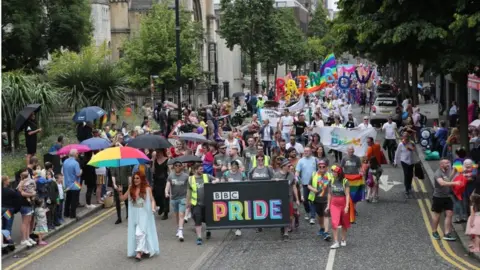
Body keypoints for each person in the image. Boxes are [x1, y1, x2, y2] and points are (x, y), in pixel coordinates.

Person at [117, 172, 160, 260]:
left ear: (142, 179)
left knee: (139, 233)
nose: (135, 180)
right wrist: (120, 191)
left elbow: (152, 200)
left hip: (144, 214)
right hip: (134, 215)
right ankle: (146, 249)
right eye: (134, 178)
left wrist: (152, 209)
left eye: (137, 178)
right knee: (141, 233)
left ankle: (139, 252)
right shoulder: (130, 188)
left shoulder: (147, 189)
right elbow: (122, 199)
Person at [186, 164, 220, 245]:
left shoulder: (206, 176)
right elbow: (188, 191)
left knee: (208, 219)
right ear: (195, 170)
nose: (202, 170)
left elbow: (218, 179)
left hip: (207, 202)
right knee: (197, 219)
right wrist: (188, 202)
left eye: (202, 169)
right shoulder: (190, 179)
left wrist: (215, 181)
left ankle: (208, 230)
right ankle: (199, 237)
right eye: (200, 169)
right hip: (196, 203)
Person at [431, 159, 460, 241]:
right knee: (437, 215)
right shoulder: (438, 173)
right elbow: (442, 183)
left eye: (449, 162)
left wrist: (454, 172)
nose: (448, 164)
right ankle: (434, 231)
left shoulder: (447, 170)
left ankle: (447, 233)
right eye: (446, 163)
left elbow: (447, 180)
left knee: (449, 213)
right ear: (441, 165)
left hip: (447, 196)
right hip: (438, 197)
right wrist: (455, 183)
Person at [272, 159, 300, 240]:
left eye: (290, 166)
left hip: (289, 197)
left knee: (289, 214)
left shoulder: (291, 175)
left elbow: (294, 186)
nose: (290, 167)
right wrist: (275, 181)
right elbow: (271, 185)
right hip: (279, 198)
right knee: (281, 214)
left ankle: (286, 232)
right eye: (288, 166)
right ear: (283, 166)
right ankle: (283, 227)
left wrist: (297, 199)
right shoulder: (276, 174)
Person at [326, 165, 351, 249]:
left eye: (335, 171)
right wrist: (328, 206)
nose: (333, 173)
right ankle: (336, 241)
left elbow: (347, 195)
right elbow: (329, 194)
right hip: (334, 203)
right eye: (332, 171)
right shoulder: (331, 181)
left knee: (344, 222)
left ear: (339, 173)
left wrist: (347, 206)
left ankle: (343, 239)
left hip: (343, 202)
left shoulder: (345, 181)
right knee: (334, 222)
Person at [307, 159, 333, 241]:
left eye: (323, 167)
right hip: (316, 199)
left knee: (326, 215)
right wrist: (313, 189)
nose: (321, 168)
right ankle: (322, 228)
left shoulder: (330, 176)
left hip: (326, 200)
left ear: (326, 167)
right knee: (320, 216)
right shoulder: (314, 174)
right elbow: (308, 185)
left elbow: (334, 186)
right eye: (320, 166)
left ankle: (326, 232)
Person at [165, 161, 189, 242]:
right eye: (176, 165)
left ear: (182, 167)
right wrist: (166, 192)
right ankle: (179, 228)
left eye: (179, 165)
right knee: (177, 215)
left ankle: (181, 231)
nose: (178, 167)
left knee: (181, 214)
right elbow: (167, 185)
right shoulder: (171, 176)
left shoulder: (186, 176)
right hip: (174, 198)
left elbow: (189, 187)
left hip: (183, 198)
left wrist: (189, 198)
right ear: (174, 167)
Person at [295, 147, 318, 224]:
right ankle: (307, 211)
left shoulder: (315, 159)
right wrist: (296, 177)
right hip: (304, 183)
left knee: (312, 200)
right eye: (305, 151)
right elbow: (297, 171)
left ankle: (312, 216)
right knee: (304, 200)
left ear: (311, 152)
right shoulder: (301, 161)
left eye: (308, 151)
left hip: (313, 184)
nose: (306, 152)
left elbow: (319, 170)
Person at [394, 133, 415, 198]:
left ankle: (409, 186)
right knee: (406, 174)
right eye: (404, 137)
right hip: (404, 161)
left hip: (411, 161)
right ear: (403, 137)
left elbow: (414, 150)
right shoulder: (401, 144)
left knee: (411, 174)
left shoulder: (411, 143)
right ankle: (406, 188)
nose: (405, 138)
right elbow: (397, 152)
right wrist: (395, 161)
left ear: (408, 137)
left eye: (407, 137)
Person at [63, 149, 82, 219]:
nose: (78, 154)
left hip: (67, 183)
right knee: (74, 200)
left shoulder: (65, 161)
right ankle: (73, 215)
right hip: (75, 184)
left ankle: (66, 213)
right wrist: (81, 171)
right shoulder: (75, 163)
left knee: (68, 199)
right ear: (75, 154)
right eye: (77, 153)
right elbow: (78, 174)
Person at [152, 149, 169, 220]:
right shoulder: (155, 160)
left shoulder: (167, 160)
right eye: (156, 153)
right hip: (156, 180)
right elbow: (153, 171)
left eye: (158, 152)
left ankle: (166, 213)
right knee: (157, 195)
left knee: (165, 196)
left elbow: (170, 170)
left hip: (164, 180)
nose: (157, 154)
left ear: (162, 152)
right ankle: (161, 207)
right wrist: (153, 160)